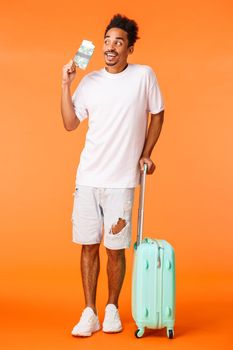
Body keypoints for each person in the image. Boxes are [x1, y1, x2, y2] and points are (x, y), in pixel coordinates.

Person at [61, 14, 164, 337]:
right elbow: (69, 123)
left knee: (115, 248)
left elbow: (158, 113)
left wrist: (146, 153)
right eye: (107, 40)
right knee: (88, 245)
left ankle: (111, 309)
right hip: (89, 177)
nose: (110, 46)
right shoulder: (89, 81)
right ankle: (89, 311)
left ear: (129, 49)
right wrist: (66, 83)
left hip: (121, 181)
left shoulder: (143, 76)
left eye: (118, 41)